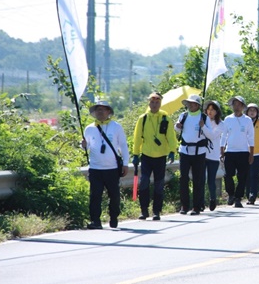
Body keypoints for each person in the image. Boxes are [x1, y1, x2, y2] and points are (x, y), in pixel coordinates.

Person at [81, 100, 129, 229]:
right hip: (95, 168)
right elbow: (87, 147)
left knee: (114, 195)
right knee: (95, 195)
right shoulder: (89, 128)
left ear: (109, 112)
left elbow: (123, 146)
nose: (100, 112)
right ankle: (95, 220)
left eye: (103, 109)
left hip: (112, 168)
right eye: (98, 109)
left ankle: (113, 217)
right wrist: (83, 146)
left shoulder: (116, 127)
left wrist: (125, 163)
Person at [132, 92, 178, 221]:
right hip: (146, 155)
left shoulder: (165, 118)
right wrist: (135, 154)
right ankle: (144, 210)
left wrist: (172, 151)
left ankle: (156, 211)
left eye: (157, 102)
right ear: (149, 103)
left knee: (159, 184)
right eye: (152, 102)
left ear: (160, 103)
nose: (154, 104)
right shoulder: (143, 118)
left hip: (161, 156)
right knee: (144, 182)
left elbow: (171, 136)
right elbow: (137, 138)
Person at [175, 94, 213, 215]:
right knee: (183, 179)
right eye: (189, 103)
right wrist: (177, 126)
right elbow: (177, 128)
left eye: (193, 103)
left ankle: (196, 206)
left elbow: (210, 134)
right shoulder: (183, 115)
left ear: (197, 105)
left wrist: (203, 127)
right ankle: (184, 205)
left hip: (199, 152)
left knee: (198, 179)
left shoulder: (204, 118)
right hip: (185, 150)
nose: (191, 105)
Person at [221, 96, 255, 208]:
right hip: (230, 151)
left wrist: (251, 153)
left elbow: (251, 137)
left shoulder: (247, 120)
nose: (237, 106)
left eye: (239, 104)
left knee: (242, 176)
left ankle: (238, 198)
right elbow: (224, 135)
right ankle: (231, 194)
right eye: (235, 104)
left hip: (243, 152)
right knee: (228, 175)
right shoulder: (227, 119)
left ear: (243, 107)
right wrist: (222, 149)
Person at [202, 100, 226, 211]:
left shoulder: (221, 124)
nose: (210, 112)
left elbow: (212, 135)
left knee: (210, 180)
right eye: (208, 109)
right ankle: (200, 202)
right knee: (200, 179)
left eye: (213, 109)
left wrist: (203, 127)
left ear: (217, 111)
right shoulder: (203, 120)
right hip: (202, 154)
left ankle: (212, 199)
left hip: (213, 156)